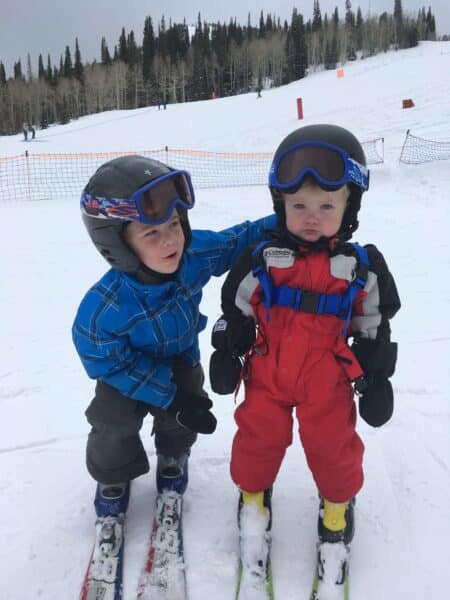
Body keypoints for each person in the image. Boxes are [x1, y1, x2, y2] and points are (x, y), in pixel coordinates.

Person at [209, 124, 400, 590]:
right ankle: (253, 499)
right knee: (258, 438)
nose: (311, 218)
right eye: (299, 206)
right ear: (281, 206)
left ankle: (336, 508)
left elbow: (373, 323)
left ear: (348, 208)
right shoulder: (263, 260)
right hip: (268, 376)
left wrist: (376, 376)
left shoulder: (360, 270)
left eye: (326, 206)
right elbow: (235, 306)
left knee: (334, 448)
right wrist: (227, 347)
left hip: (327, 383)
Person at [72, 154, 276, 520]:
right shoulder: (102, 309)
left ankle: (173, 454)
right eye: (151, 233)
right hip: (126, 376)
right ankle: (113, 475)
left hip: (181, 360)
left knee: (186, 409)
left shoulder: (192, 256)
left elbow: (236, 241)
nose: (170, 241)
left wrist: (292, 219)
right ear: (117, 246)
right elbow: (106, 360)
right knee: (111, 418)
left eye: (174, 224)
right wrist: (167, 396)